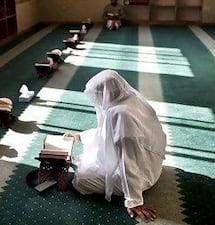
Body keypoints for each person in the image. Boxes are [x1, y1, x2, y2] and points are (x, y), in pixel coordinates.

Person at [65, 69, 166, 222]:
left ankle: (131, 191)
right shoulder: (131, 97)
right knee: (94, 152)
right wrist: (81, 136)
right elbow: (109, 132)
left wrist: (134, 201)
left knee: (81, 180)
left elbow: (128, 159)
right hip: (152, 162)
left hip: (142, 176)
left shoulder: (120, 114)